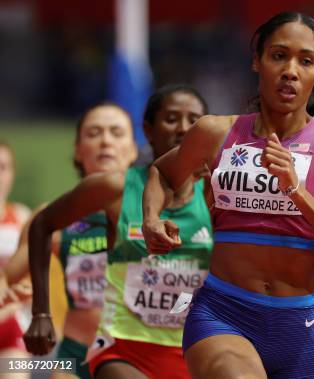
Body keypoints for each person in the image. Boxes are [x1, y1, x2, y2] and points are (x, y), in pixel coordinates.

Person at [142, 12, 314, 379]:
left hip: (300, 325)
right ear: (257, 61)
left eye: (305, 60)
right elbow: (161, 172)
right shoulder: (215, 131)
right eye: (278, 55)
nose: (290, 70)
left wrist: (295, 189)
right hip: (223, 313)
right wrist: (152, 218)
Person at [23, 84, 213, 379]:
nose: (183, 129)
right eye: (172, 119)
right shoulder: (116, 188)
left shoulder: (215, 192)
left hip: (195, 349)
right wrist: (41, 313)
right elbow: (41, 224)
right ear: (148, 131)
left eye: (194, 121)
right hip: (121, 349)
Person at [1, 103, 137, 379]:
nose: (106, 140)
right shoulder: (49, 219)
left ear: (133, 149)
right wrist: (15, 297)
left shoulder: (158, 213)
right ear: (77, 149)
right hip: (75, 358)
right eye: (94, 133)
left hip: (139, 356)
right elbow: (7, 282)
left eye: (116, 132)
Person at [0, 140, 32, 374]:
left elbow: (30, 283)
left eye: (2, 167)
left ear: (12, 172)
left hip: (11, 329)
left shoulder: (22, 218)